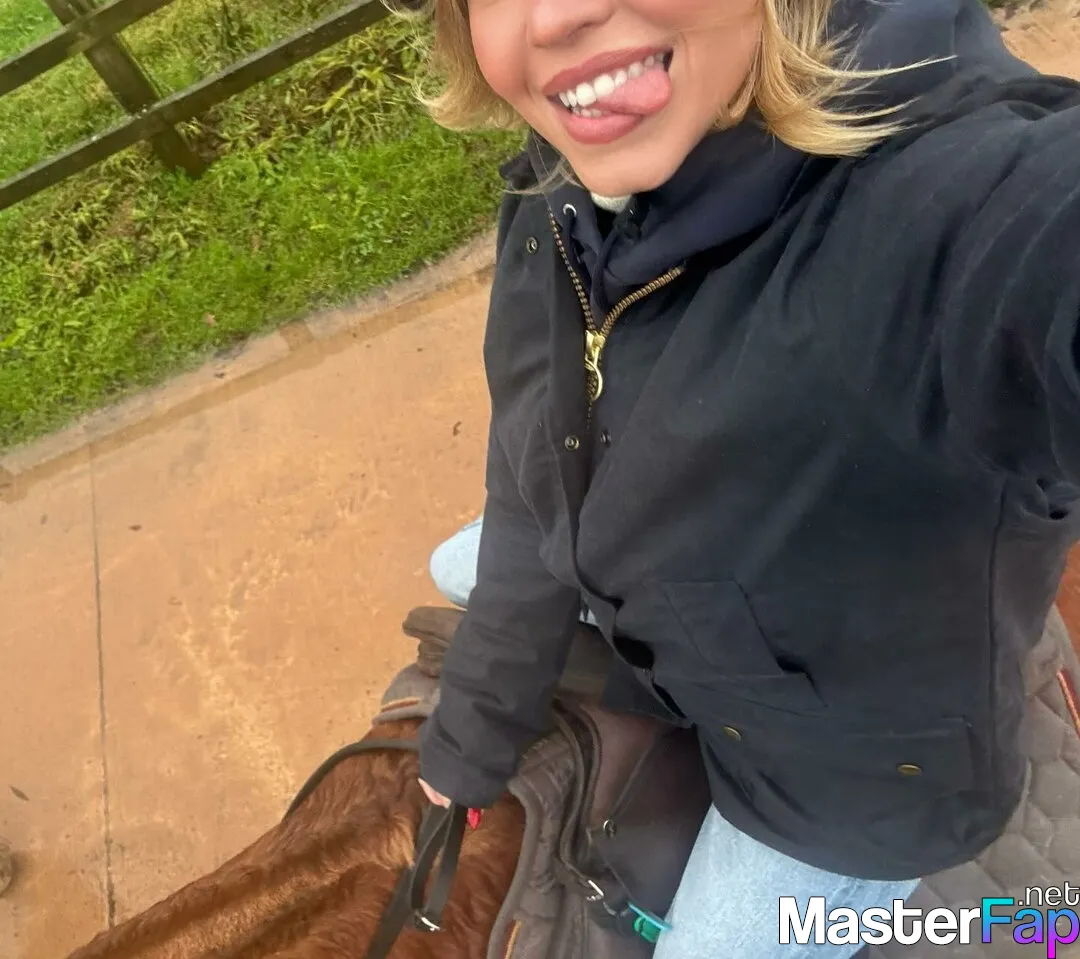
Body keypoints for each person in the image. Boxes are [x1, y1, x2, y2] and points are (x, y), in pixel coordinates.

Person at [404, 0, 1080, 955]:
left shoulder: (955, 199)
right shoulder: (555, 194)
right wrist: (472, 733)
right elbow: (529, 486)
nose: (554, 17)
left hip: (842, 787)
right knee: (462, 560)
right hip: (694, 584)